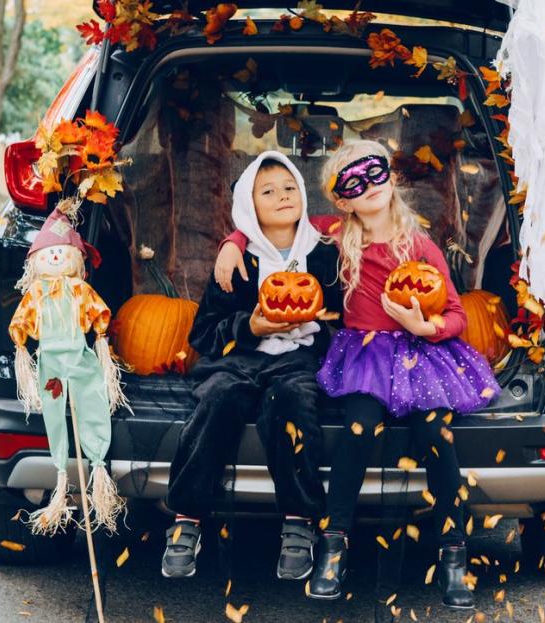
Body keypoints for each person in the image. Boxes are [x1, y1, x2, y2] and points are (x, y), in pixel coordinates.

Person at [213, 140, 499, 610]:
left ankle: (452, 555)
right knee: (359, 429)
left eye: (374, 173)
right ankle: (334, 542)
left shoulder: (419, 244)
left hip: (419, 352)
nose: (368, 187)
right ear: (341, 199)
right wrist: (234, 242)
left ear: (390, 178)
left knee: (435, 432)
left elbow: (455, 314)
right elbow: (280, 225)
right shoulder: (334, 234)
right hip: (365, 356)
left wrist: (422, 326)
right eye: (352, 182)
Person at [161, 151, 342, 581]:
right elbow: (204, 333)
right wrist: (251, 325)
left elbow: (347, 321)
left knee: (293, 403)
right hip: (240, 358)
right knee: (216, 397)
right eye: (268, 191)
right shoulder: (239, 260)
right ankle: (187, 517)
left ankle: (299, 521)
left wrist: (319, 329)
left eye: (289, 187)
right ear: (248, 205)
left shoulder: (327, 255)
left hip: (299, 361)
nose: (282, 196)